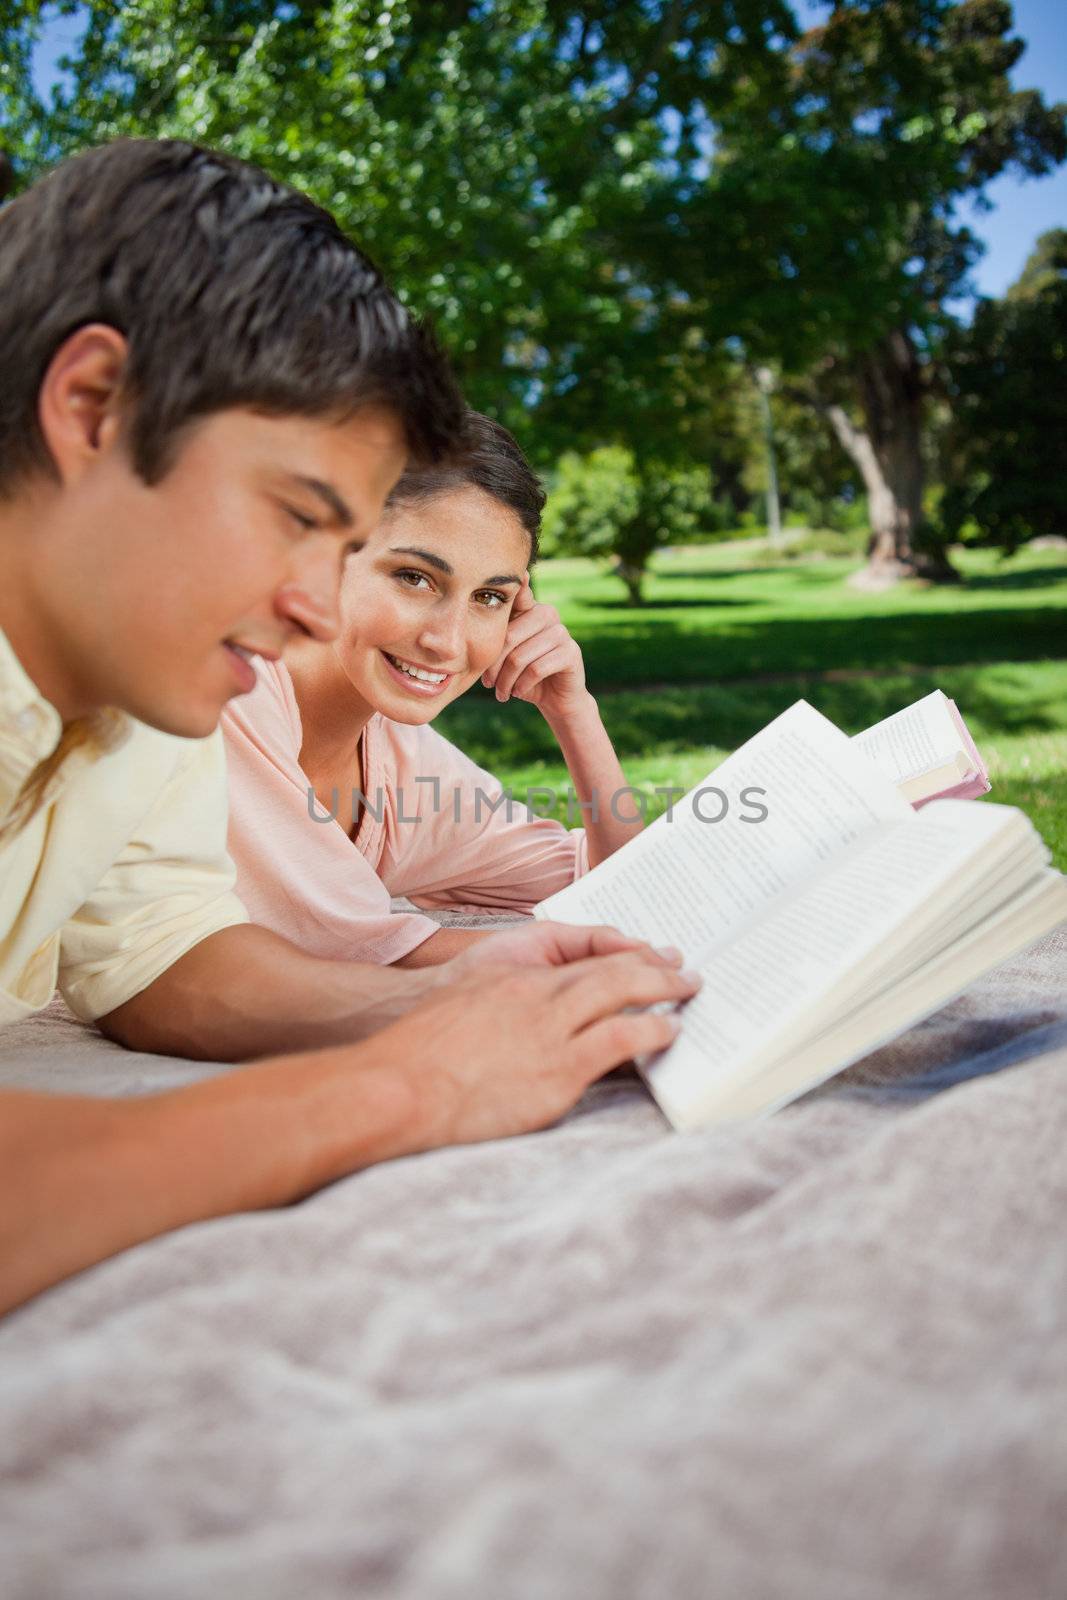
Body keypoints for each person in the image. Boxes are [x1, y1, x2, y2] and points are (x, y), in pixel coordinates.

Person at [0, 139, 699, 1317]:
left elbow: (163, 947)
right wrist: (399, 1089)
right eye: (295, 514)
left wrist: (450, 1005)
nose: (318, 610)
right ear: (92, 410)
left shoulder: (155, 691)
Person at [222, 412, 646, 966]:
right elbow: (346, 939)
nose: (447, 642)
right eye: (414, 578)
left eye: (489, 598)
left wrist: (574, 712)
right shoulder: (232, 687)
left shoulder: (404, 768)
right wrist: (582, 956)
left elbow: (628, 890)